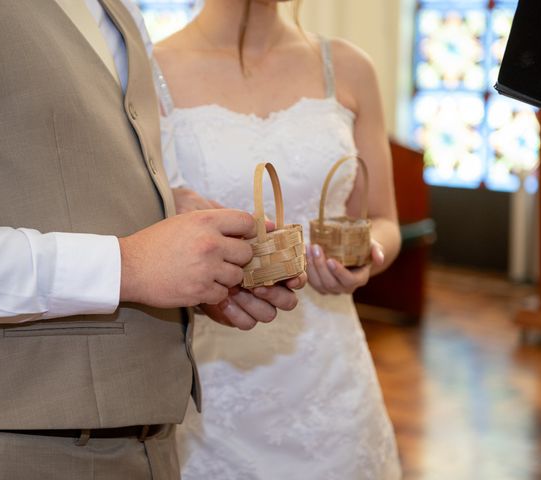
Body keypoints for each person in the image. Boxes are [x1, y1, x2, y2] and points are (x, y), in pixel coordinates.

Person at [0, 0, 305, 478]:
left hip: (156, 446)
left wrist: (195, 260)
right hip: (13, 449)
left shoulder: (124, 10)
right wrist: (127, 267)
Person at [152, 0, 403, 478]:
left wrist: (366, 258)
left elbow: (383, 220)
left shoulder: (348, 68)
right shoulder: (149, 71)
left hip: (332, 382)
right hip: (213, 383)